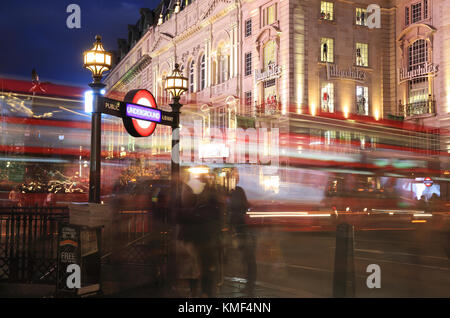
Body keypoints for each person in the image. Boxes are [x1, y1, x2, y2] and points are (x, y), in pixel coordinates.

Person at [178, 173, 222, 297]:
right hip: (203, 238)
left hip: (197, 238)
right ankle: (204, 292)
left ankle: (199, 291)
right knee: (204, 267)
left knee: (196, 267)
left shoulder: (190, 200)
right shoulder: (207, 199)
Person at [228, 186, 256, 296]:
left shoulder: (234, 209)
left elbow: (232, 222)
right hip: (251, 237)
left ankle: (248, 286)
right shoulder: (247, 206)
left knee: (246, 261)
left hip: (242, 237)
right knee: (250, 262)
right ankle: (250, 285)